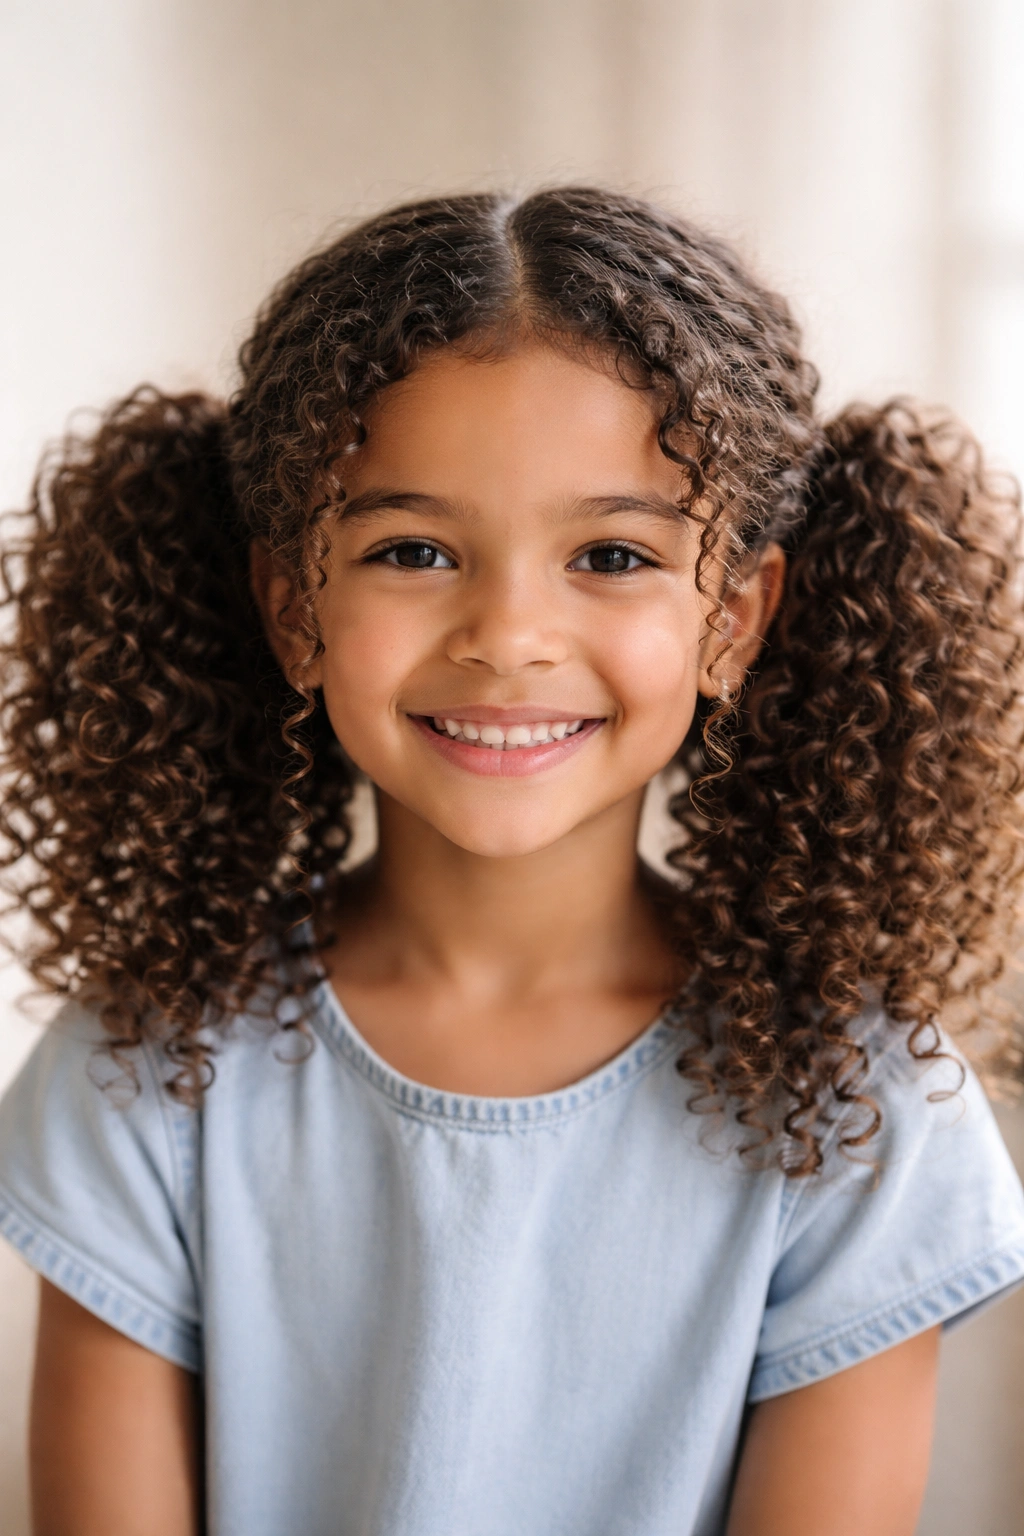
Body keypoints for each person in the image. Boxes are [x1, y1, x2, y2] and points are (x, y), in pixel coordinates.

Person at [1, 188, 1023, 1536]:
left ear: (735, 618)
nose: (509, 633)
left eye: (609, 554)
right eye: (412, 550)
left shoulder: (859, 1108)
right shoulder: (147, 1065)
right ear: (290, 603)